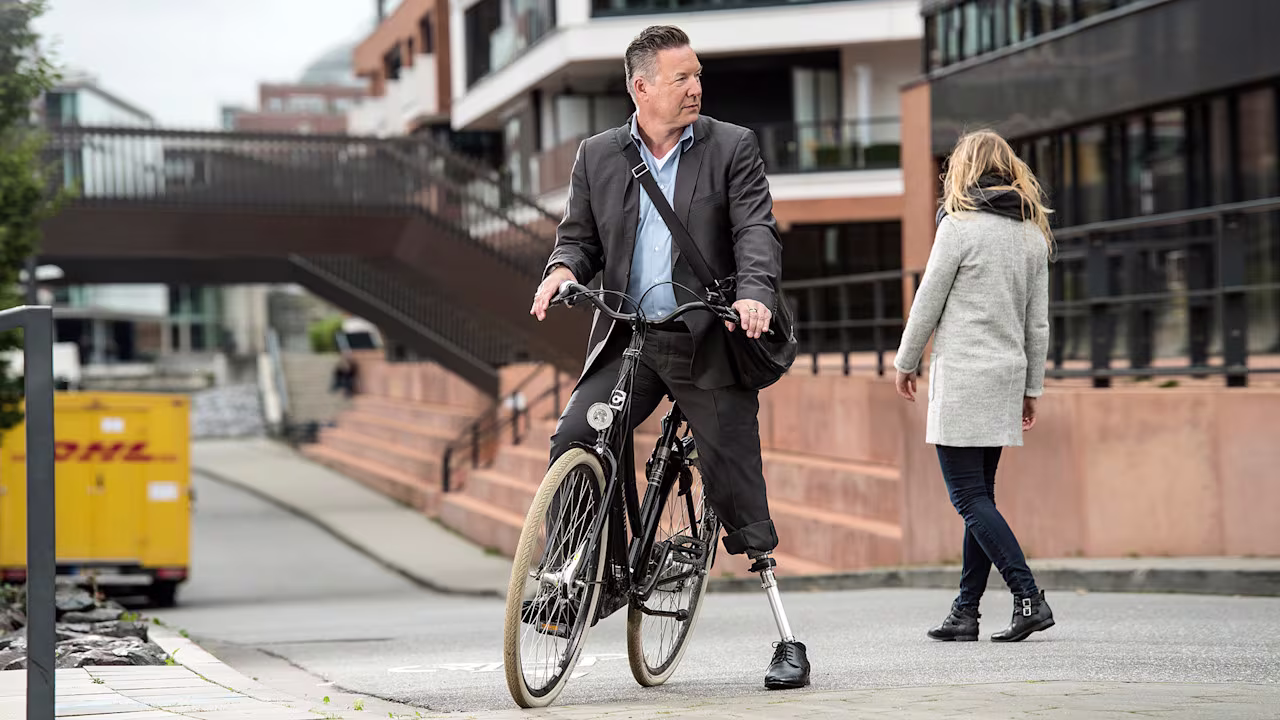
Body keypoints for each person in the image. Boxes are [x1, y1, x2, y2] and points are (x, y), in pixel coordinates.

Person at [529, 25, 810, 690]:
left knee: (734, 478)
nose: (696, 87)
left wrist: (754, 294)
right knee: (579, 435)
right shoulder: (598, 155)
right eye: (681, 77)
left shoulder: (731, 146)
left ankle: (787, 639)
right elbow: (578, 240)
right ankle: (575, 586)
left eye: (698, 75)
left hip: (708, 336)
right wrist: (559, 271)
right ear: (641, 86)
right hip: (631, 337)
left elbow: (754, 232)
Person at [892, 129, 1056, 643]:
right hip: (1006, 378)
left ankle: (1028, 595)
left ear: (964, 170)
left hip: (964, 379)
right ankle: (966, 612)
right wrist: (1033, 387)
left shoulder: (958, 228)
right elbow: (1038, 324)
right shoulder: (1032, 234)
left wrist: (906, 360)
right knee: (980, 497)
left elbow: (927, 301)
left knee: (967, 498)